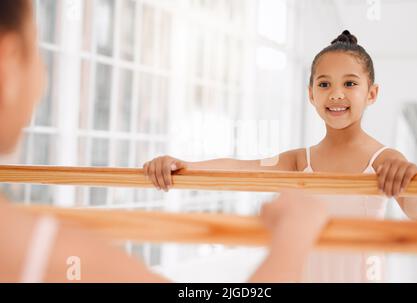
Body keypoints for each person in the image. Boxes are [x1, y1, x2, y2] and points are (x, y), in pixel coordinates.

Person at [0, 0, 328, 283]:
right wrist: (294, 236)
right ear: (10, 62)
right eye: (38, 52)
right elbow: (251, 166)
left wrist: (188, 166)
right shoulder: (43, 251)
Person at [143, 30, 417, 282]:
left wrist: (407, 174)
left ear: (372, 93)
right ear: (311, 94)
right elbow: (243, 169)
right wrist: (184, 165)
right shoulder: (298, 162)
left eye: (350, 84)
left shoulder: (384, 158)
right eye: (324, 84)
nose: (335, 94)